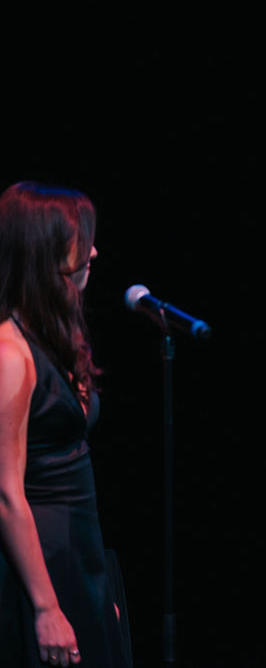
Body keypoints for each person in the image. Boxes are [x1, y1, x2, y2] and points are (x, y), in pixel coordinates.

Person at [0, 182, 130, 667]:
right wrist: (47, 607)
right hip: (41, 565)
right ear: (45, 250)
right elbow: (6, 493)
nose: (93, 251)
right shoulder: (10, 354)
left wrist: (95, 589)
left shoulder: (57, 332)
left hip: (80, 555)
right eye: (82, 240)